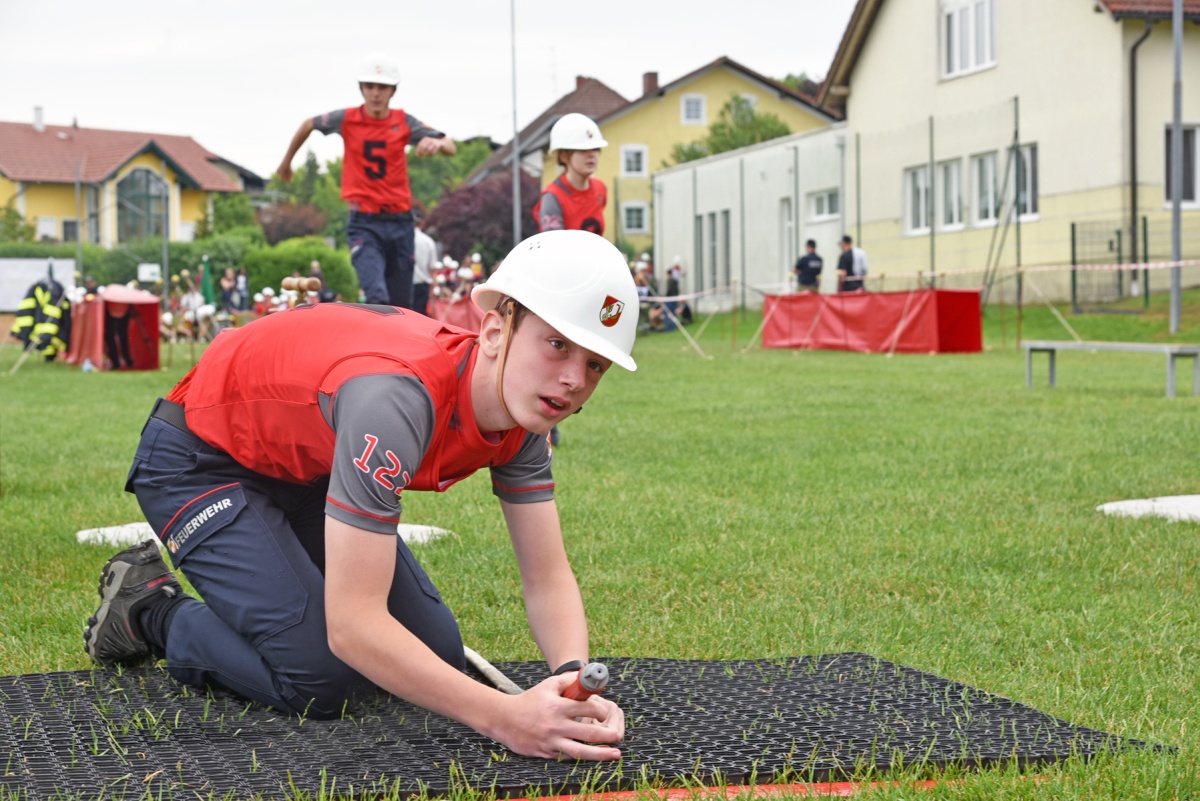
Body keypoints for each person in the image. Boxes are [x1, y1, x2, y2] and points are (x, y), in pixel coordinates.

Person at [83, 230, 636, 762]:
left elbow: (547, 575)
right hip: (196, 459)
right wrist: (503, 717)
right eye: (558, 344)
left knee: (434, 656)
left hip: (299, 466)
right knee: (324, 675)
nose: (572, 379)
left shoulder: (525, 420)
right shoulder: (394, 399)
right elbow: (353, 625)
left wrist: (573, 680)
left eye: (594, 363)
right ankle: (148, 611)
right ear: (494, 331)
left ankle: (250, 603)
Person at [276, 52, 456, 310]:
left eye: (382, 87)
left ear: (392, 91)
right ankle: (374, 350)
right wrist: (286, 162)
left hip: (400, 223)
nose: (375, 93)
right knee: (377, 298)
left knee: (401, 305)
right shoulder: (347, 118)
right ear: (361, 88)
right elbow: (308, 124)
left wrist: (436, 143)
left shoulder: (404, 121)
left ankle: (397, 350)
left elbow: (450, 146)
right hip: (365, 223)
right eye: (369, 86)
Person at [533, 113, 607, 235]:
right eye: (583, 150)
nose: (592, 155)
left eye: (596, 149)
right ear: (563, 156)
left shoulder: (601, 189)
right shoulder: (552, 197)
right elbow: (555, 245)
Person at [412, 223, 437, 316]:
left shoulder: (400, 239)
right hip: (422, 285)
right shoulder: (427, 241)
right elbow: (432, 268)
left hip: (404, 284)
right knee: (420, 316)